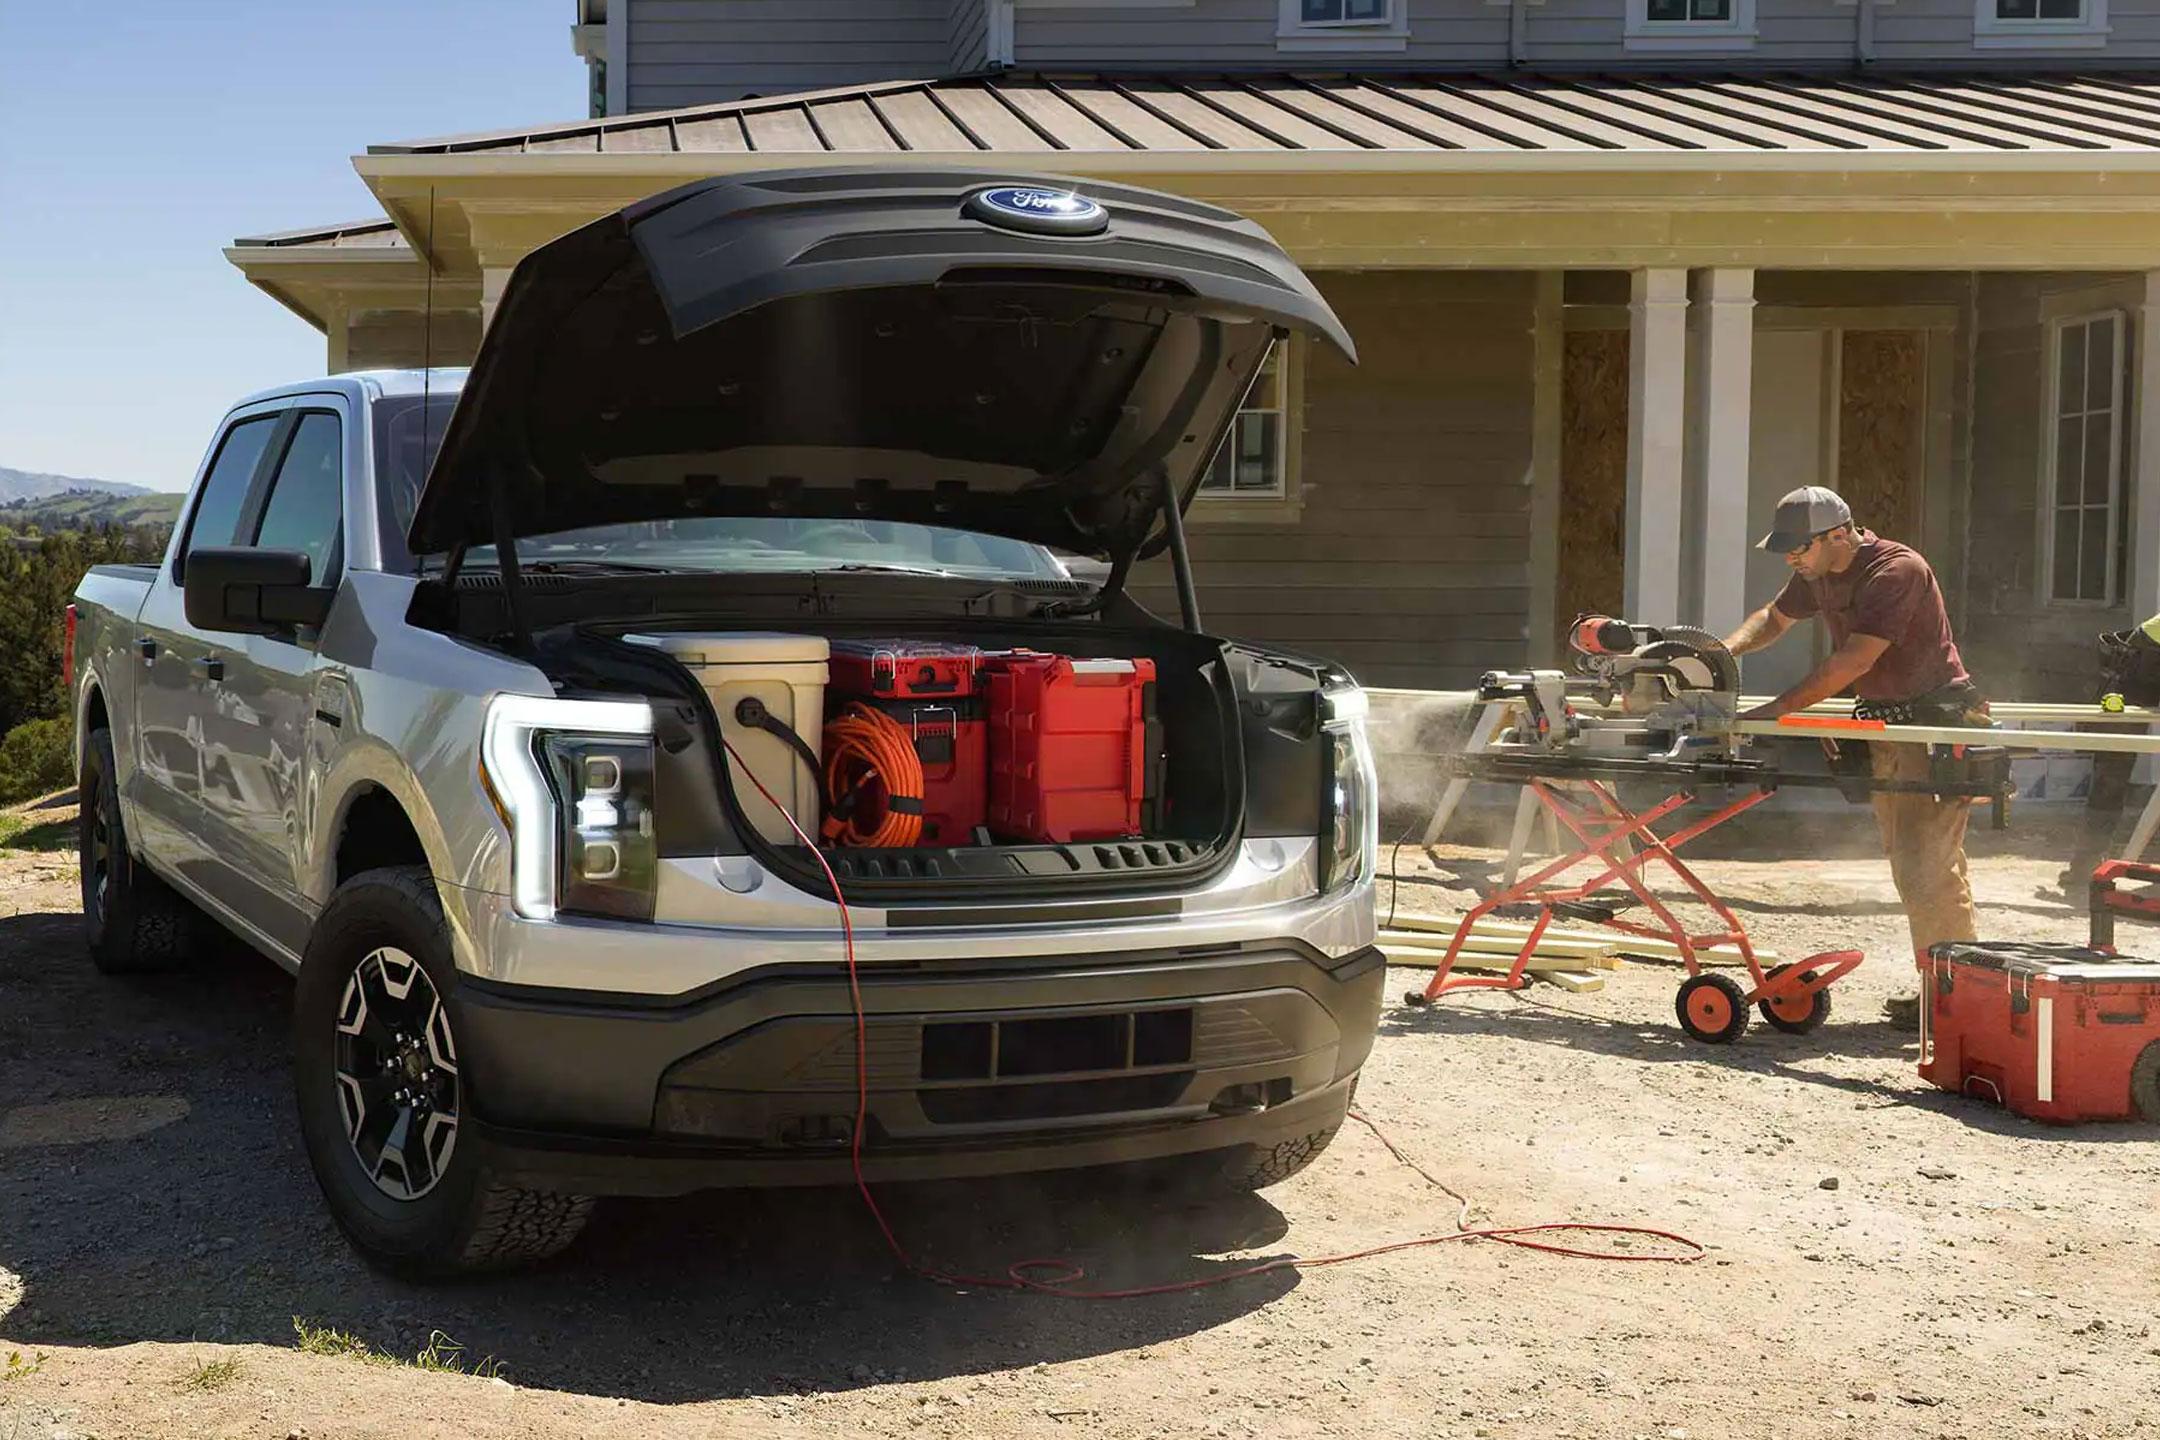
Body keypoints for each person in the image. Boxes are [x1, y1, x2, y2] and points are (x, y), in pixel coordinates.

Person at [1719, 486, 1983, 1031]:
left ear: (1838, 534)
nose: (1792, 559)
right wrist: (1720, 651)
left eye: (1800, 549)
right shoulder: (1818, 570)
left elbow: (1853, 660)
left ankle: (1955, 1000)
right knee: (1916, 862)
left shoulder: (1895, 570)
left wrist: (1781, 709)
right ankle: (1950, 987)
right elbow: (1774, 617)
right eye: (1786, 550)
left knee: (1926, 865)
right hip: (1891, 722)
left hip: (1934, 724)